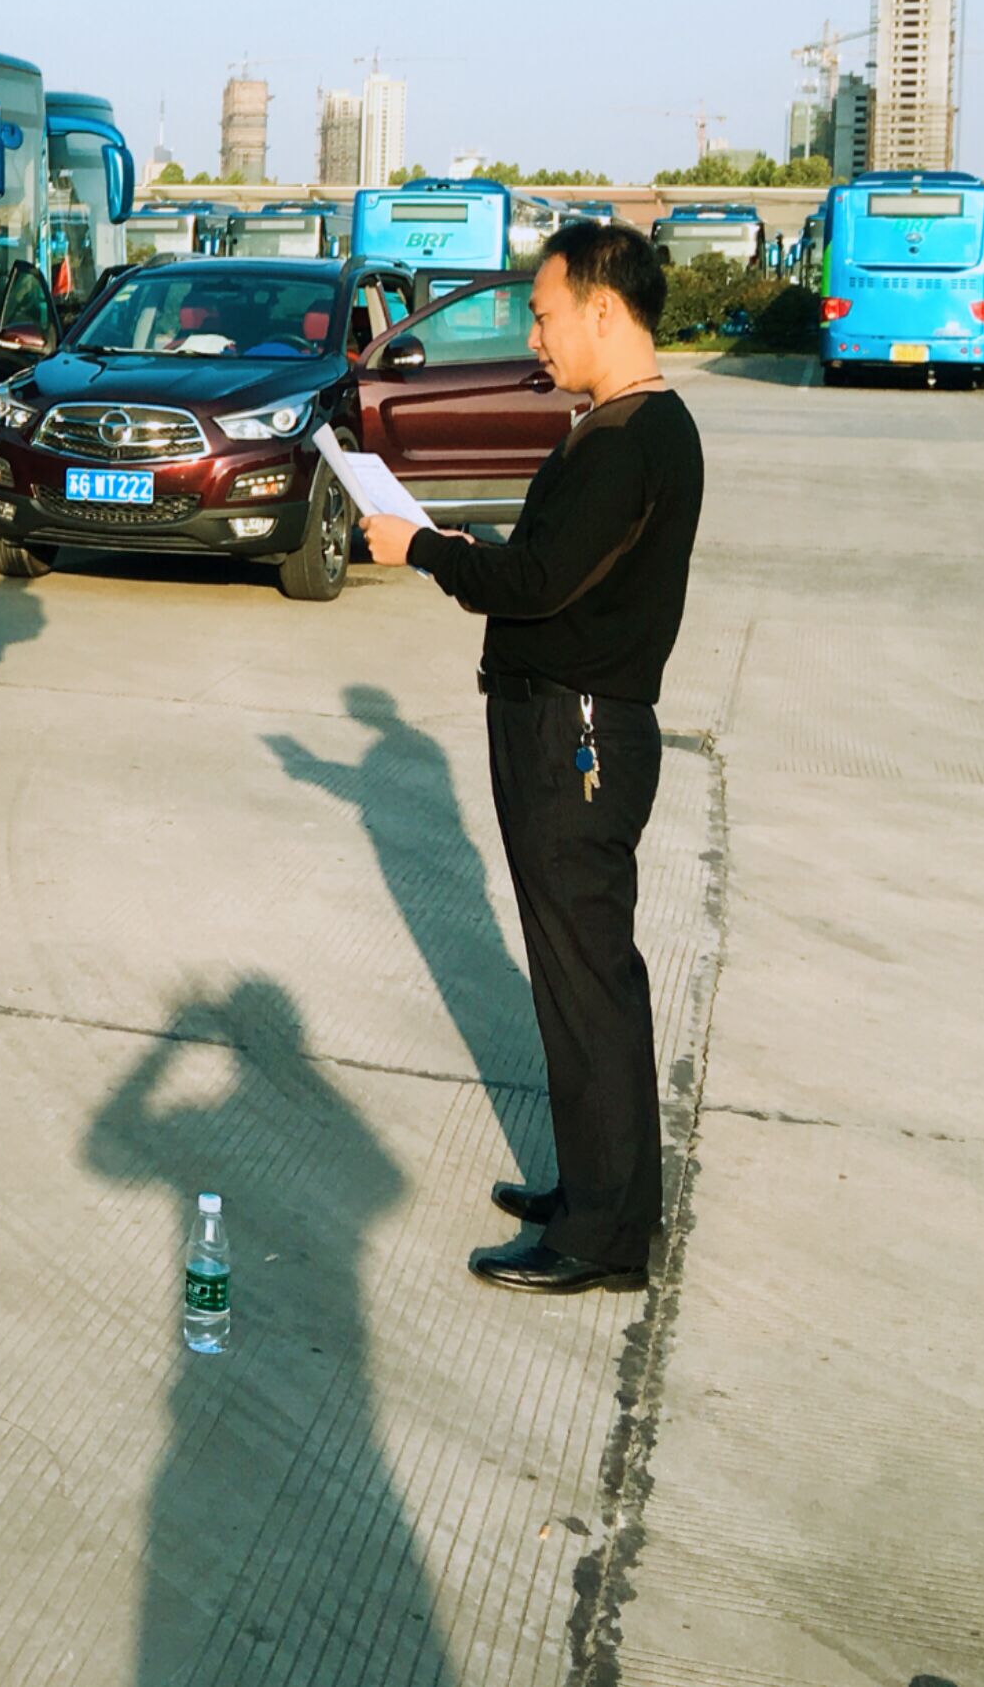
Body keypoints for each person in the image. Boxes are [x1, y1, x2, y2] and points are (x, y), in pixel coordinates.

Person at [361, 221, 705, 1297]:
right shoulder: (622, 424)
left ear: (604, 307)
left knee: (587, 981)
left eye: (546, 316)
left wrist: (421, 547)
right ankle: (600, 1193)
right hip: (565, 724)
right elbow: (554, 570)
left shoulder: (628, 440)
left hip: (577, 737)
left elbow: (538, 582)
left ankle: (603, 1235)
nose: (536, 338)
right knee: (579, 978)